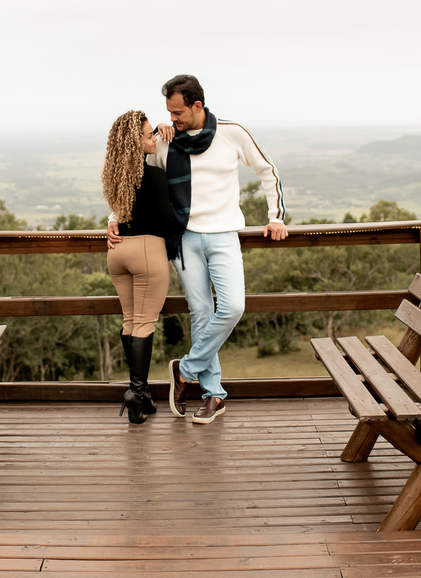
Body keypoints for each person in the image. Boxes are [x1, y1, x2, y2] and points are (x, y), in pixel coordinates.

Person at [108, 75, 287, 424]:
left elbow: (268, 171)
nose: (172, 118)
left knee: (234, 306)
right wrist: (114, 217)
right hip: (183, 238)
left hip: (223, 236)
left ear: (197, 106)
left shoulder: (232, 133)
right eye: (169, 112)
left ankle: (186, 369)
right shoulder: (165, 141)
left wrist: (276, 217)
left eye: (178, 112)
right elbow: (130, 176)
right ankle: (213, 395)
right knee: (202, 313)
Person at [102, 110, 178, 424]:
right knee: (145, 324)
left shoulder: (115, 178)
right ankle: (136, 392)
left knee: (131, 321)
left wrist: (162, 130)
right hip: (148, 252)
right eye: (148, 136)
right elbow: (167, 221)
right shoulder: (155, 177)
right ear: (135, 143)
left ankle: (141, 393)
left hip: (118, 254)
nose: (153, 140)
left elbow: (118, 216)